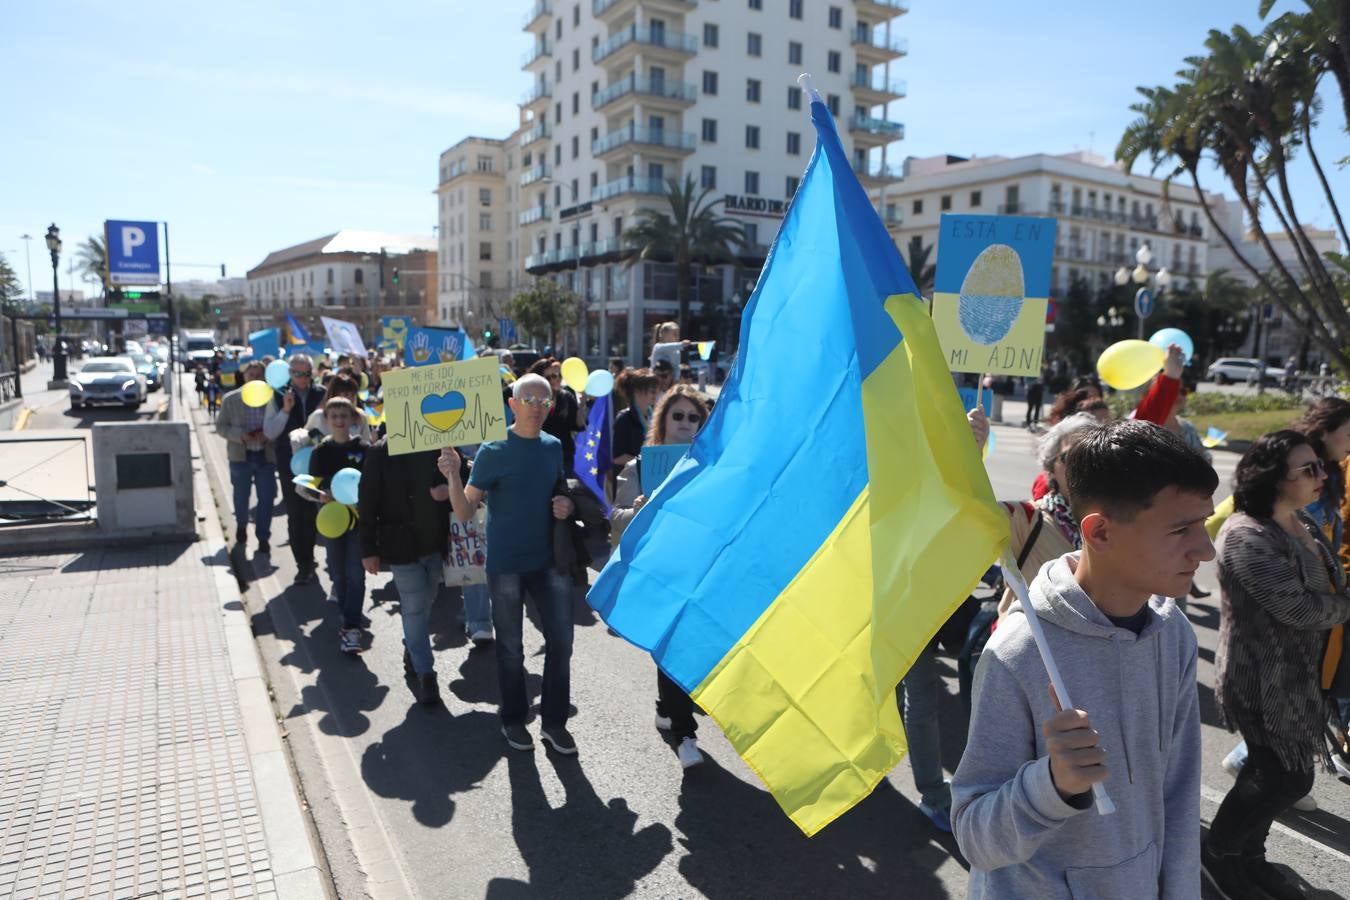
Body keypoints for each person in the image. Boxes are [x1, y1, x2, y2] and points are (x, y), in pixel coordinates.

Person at [952, 420, 1218, 899]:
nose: (1205, 549)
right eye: (1181, 529)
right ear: (1099, 533)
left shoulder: (1172, 630)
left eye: (1203, 524)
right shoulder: (1019, 653)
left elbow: (1178, 797)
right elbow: (974, 837)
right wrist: (1051, 785)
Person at [1205, 431, 1350, 900]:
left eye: (1319, 466)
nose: (1322, 474)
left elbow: (1326, 587)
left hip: (1302, 674)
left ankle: (1250, 857)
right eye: (1308, 469)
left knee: (1277, 773)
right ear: (1271, 477)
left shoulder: (1301, 520)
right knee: (1283, 775)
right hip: (1262, 677)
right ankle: (1219, 856)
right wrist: (1346, 606)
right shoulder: (1246, 533)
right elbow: (1300, 609)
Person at [440, 374, 578, 754]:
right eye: (528, 399)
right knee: (512, 648)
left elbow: (559, 493)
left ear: (550, 408)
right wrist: (453, 475)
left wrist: (566, 505)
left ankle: (553, 723)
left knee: (562, 643)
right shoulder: (493, 449)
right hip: (505, 565)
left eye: (543, 401)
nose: (536, 406)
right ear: (512, 404)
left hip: (548, 562)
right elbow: (465, 510)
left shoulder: (552, 448)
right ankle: (514, 720)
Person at [610, 385, 710, 769]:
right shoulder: (640, 467)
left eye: (693, 417)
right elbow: (614, 518)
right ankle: (685, 735)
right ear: (664, 420)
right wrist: (635, 510)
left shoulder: (711, 468)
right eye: (678, 415)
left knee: (691, 647)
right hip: (659, 571)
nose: (685, 423)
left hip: (699, 569)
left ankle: (666, 707)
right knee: (670, 647)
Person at [359, 441, 451, 704]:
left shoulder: (440, 444)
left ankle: (413, 648)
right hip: (401, 547)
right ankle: (426, 674)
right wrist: (368, 549)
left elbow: (465, 478)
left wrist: (450, 487)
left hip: (435, 544)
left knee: (426, 602)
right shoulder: (380, 451)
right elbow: (367, 500)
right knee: (413, 608)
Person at [310, 397, 370, 655]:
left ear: (352, 418)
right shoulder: (320, 452)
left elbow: (372, 482)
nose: (339, 421)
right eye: (334, 417)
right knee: (338, 573)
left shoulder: (365, 448)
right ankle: (348, 615)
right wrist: (321, 494)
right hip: (332, 522)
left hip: (358, 521)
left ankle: (351, 625)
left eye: (344, 416)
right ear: (327, 420)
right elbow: (310, 486)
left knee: (357, 573)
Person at [263, 355, 325, 584]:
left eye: (307, 373)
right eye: (298, 374)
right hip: (290, 464)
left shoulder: (322, 393)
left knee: (316, 513)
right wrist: (286, 410)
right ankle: (304, 564)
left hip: (319, 462)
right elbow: (269, 432)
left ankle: (316, 558)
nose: (303, 378)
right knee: (298, 515)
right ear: (290, 374)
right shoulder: (278, 396)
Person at [215, 360, 279, 555]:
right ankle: (242, 525)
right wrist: (239, 435)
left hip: (265, 457)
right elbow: (221, 426)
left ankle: (263, 537)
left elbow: (280, 423)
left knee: (267, 498)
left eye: (258, 375)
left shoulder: (273, 398)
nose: (254, 378)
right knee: (241, 497)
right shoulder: (231, 399)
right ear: (244, 377)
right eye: (251, 374)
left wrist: (269, 435)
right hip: (240, 457)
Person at [528, 357, 585, 471]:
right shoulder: (531, 398)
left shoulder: (566, 396)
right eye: (551, 377)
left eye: (559, 375)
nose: (557, 379)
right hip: (540, 456)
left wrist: (581, 405)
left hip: (564, 455)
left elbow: (578, 426)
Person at [612, 368, 658, 469]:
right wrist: (644, 461)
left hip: (649, 474)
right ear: (637, 391)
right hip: (629, 478)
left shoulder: (655, 416)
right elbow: (617, 457)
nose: (655, 393)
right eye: (651, 390)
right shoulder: (624, 418)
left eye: (655, 390)